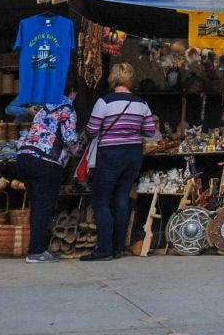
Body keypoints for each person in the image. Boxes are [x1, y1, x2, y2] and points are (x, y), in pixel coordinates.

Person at [82, 62, 158, 261]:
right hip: (133, 154)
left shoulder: (104, 102)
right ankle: (118, 248)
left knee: (101, 202)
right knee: (122, 199)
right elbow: (150, 131)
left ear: (113, 78)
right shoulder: (141, 104)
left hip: (110, 155)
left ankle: (104, 250)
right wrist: (131, 129)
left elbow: (91, 130)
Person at [15, 82, 80, 262]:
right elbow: (69, 137)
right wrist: (78, 149)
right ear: (72, 92)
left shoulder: (43, 108)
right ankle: (36, 252)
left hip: (25, 156)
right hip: (45, 161)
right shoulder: (67, 109)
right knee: (44, 207)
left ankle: (37, 248)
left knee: (37, 206)